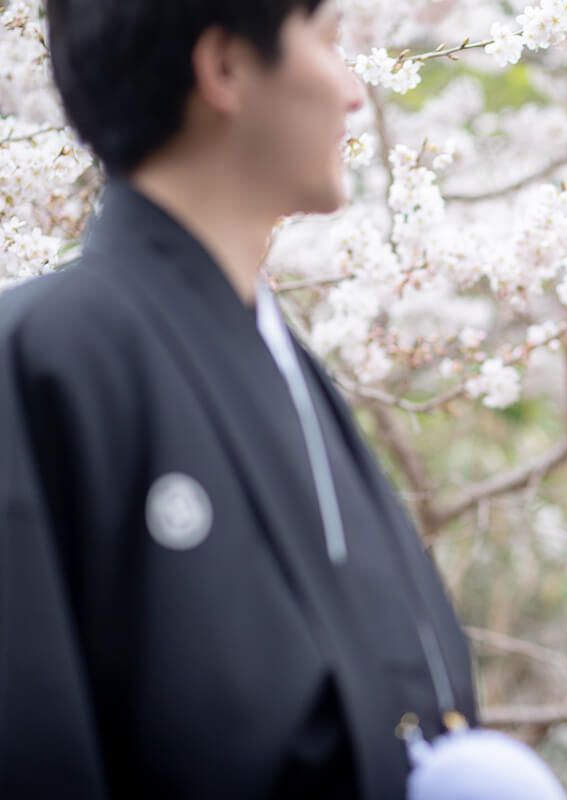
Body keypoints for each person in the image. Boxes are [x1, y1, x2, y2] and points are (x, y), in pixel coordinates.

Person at [0, 2, 480, 797]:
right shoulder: (46, 358)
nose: (354, 92)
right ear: (223, 68)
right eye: (327, 44)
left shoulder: (283, 359)